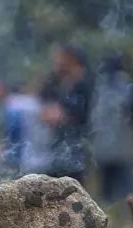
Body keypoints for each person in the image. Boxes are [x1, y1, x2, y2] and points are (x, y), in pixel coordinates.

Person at [39, 44, 93, 182]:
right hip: (58, 146)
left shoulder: (84, 83)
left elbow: (83, 114)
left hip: (75, 146)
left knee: (72, 190)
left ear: (71, 59)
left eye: (60, 58)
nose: (56, 62)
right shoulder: (59, 81)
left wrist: (62, 116)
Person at [90, 56, 133, 203]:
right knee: (125, 191)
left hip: (103, 150)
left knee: (107, 193)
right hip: (122, 150)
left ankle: (110, 221)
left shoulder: (98, 91)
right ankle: (123, 221)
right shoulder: (128, 90)